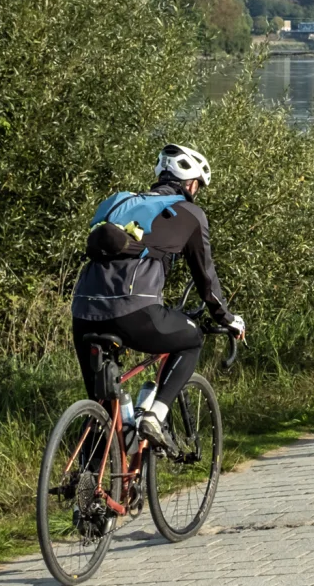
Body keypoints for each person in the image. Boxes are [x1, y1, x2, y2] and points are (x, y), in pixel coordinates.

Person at [72, 144, 244, 446]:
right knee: (191, 340)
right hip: (134, 311)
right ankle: (155, 415)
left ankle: (93, 481)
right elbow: (206, 280)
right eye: (198, 187)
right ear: (191, 184)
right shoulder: (189, 213)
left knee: (102, 406)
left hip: (83, 312)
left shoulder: (118, 202)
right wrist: (228, 320)